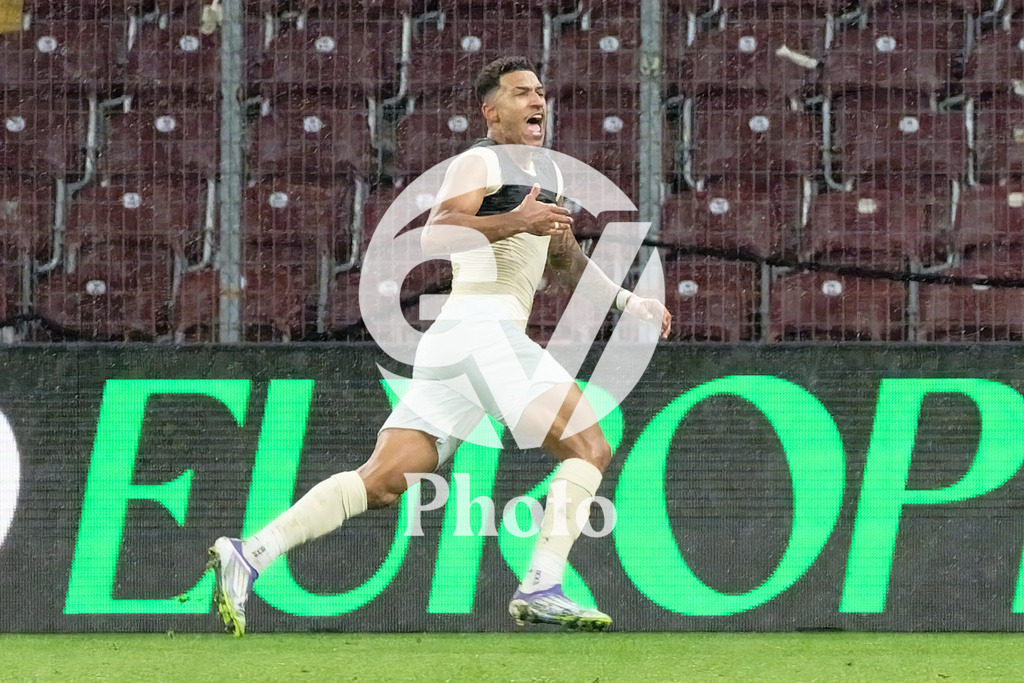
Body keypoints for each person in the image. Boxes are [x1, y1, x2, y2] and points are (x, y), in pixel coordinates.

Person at [207, 55, 671, 636]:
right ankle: (543, 584)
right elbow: (439, 229)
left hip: (462, 343)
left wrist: (631, 303)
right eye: (521, 92)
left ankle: (251, 553)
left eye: (541, 92)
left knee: (382, 482)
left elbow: (564, 257)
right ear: (491, 110)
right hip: (481, 329)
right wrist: (516, 221)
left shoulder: (544, 179)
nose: (537, 101)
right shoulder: (479, 161)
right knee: (590, 447)